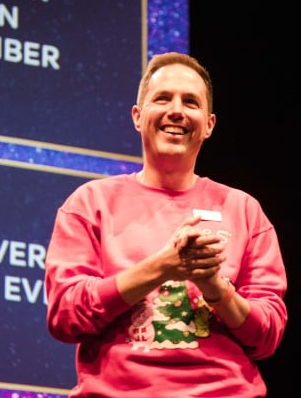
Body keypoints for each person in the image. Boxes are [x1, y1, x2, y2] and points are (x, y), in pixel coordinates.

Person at [44, 52, 288, 397]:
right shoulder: (90, 203)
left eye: (191, 102)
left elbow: (267, 336)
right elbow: (66, 315)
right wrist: (162, 267)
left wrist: (214, 286)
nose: (176, 110)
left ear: (209, 124)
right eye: (162, 98)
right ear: (137, 116)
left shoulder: (244, 210)